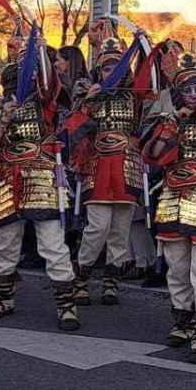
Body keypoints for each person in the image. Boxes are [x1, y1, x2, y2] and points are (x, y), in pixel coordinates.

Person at [0, 33, 79, 328]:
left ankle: (66, 305)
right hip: (8, 176)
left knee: (51, 243)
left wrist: (41, 51)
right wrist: (4, 120)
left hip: (41, 176)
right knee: (6, 242)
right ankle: (4, 298)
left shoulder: (43, 102)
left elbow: (50, 85)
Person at [142, 49, 196, 363]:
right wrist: (171, 126)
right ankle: (182, 320)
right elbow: (152, 156)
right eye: (187, 90)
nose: (193, 96)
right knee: (177, 268)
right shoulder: (166, 120)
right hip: (171, 199)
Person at [65, 23, 147, 306]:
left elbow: (156, 82)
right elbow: (73, 130)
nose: (111, 72)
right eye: (107, 68)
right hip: (97, 165)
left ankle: (112, 279)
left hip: (126, 166)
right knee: (97, 227)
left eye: (117, 67)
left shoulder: (134, 95)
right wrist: (87, 102)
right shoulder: (89, 93)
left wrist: (143, 46)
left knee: (120, 230)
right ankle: (82, 277)